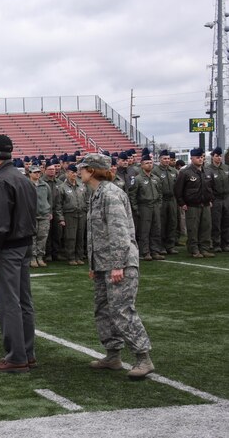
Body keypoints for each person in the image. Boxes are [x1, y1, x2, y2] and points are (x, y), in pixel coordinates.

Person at [79, 153, 154, 379]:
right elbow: (98, 234)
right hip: (104, 263)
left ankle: (143, 357)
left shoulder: (110, 194)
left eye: (82, 168)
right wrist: (94, 264)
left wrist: (118, 264)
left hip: (118, 263)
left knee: (122, 310)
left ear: (92, 170)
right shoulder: (96, 195)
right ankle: (113, 355)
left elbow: (119, 232)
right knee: (103, 310)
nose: (78, 171)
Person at [0, 134, 37, 373]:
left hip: (9, 247)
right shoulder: (21, 178)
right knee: (24, 301)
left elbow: (1, 224)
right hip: (24, 245)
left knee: (8, 303)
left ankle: (16, 356)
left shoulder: (0, 181)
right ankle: (27, 352)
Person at [174, 148, 215, 258]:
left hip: (205, 205)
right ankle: (194, 250)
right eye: (198, 157)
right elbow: (178, 190)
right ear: (191, 158)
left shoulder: (208, 171)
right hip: (192, 206)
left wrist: (211, 199)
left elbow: (212, 187)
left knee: (206, 228)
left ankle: (204, 249)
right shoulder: (185, 172)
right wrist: (182, 203)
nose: (200, 159)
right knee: (193, 229)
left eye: (202, 157)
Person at [128, 154, 164, 261]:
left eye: (150, 163)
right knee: (145, 230)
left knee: (156, 229)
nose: (149, 165)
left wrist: (159, 204)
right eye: (147, 163)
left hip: (155, 206)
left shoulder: (155, 178)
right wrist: (136, 208)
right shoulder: (138, 179)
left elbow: (160, 193)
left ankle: (155, 251)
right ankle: (145, 252)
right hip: (144, 206)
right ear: (142, 165)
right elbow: (133, 195)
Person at [56, 164, 88, 265]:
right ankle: (71, 257)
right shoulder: (62, 187)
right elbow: (58, 205)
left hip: (81, 214)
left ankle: (79, 256)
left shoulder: (81, 186)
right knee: (70, 237)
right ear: (67, 173)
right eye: (71, 172)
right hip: (69, 215)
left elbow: (86, 200)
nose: (74, 174)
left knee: (80, 236)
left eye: (75, 172)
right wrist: (61, 218)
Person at [151, 150, 179, 254]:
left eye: (168, 158)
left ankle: (170, 245)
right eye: (164, 159)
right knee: (161, 223)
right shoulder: (155, 171)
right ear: (160, 159)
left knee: (172, 222)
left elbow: (178, 186)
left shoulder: (174, 171)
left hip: (172, 200)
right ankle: (161, 246)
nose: (167, 160)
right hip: (161, 200)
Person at [28, 164, 52, 268]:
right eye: (35, 172)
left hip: (44, 215)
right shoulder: (26, 184)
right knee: (32, 237)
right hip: (31, 215)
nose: (37, 174)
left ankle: (40, 257)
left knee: (42, 237)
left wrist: (49, 211)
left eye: (39, 172)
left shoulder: (45, 185)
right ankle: (32, 257)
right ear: (30, 174)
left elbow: (49, 199)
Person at [208, 146, 229, 252]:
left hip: (226, 198)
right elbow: (208, 186)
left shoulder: (226, 168)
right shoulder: (208, 169)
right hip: (215, 199)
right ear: (212, 157)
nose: (219, 158)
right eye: (217, 156)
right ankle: (216, 244)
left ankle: (225, 244)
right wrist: (210, 199)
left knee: (226, 222)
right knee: (216, 223)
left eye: (220, 156)